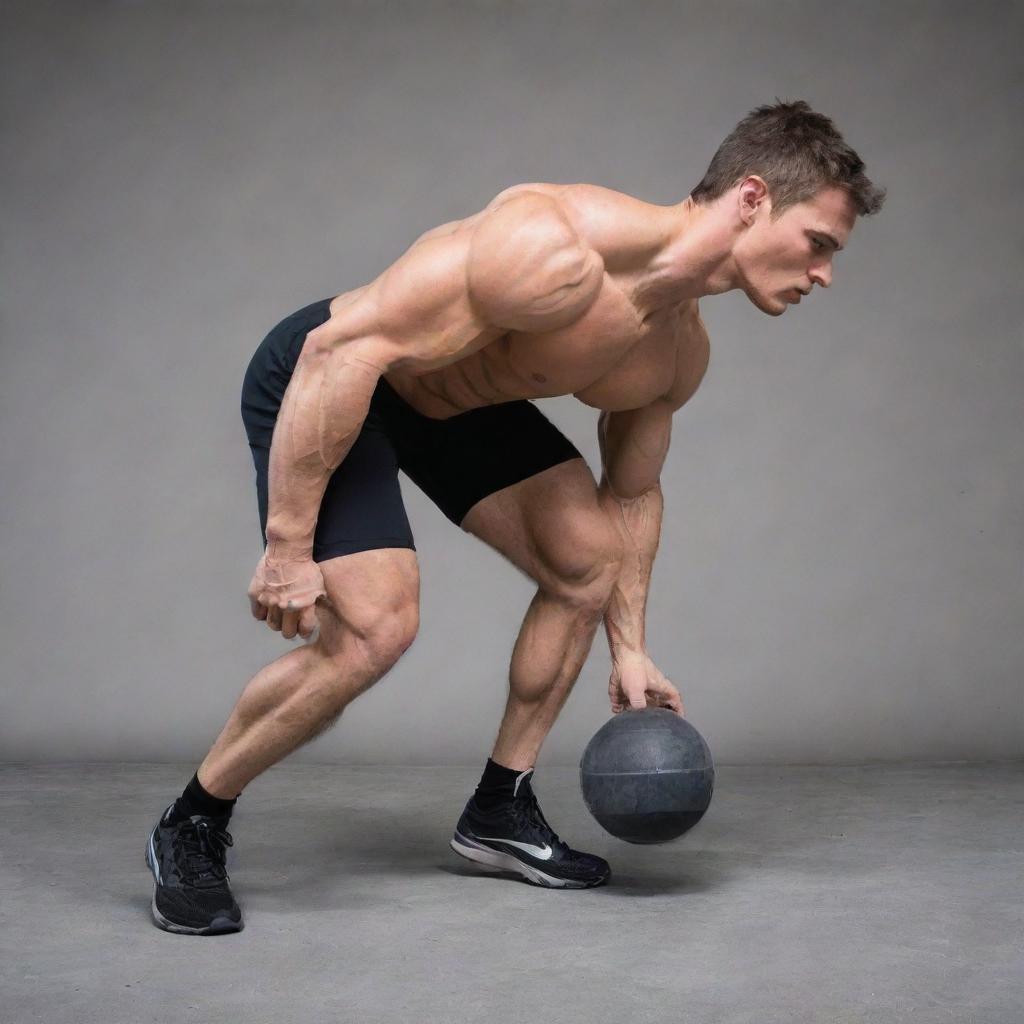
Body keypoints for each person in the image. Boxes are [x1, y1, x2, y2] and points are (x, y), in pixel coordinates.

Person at [145, 99, 885, 934]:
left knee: (588, 558)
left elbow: (633, 491)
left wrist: (632, 648)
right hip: (337, 374)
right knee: (375, 630)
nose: (824, 273)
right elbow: (345, 350)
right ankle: (193, 821)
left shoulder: (674, 353)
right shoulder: (552, 245)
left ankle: (500, 808)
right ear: (752, 199)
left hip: (452, 405)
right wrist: (287, 543)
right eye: (819, 244)